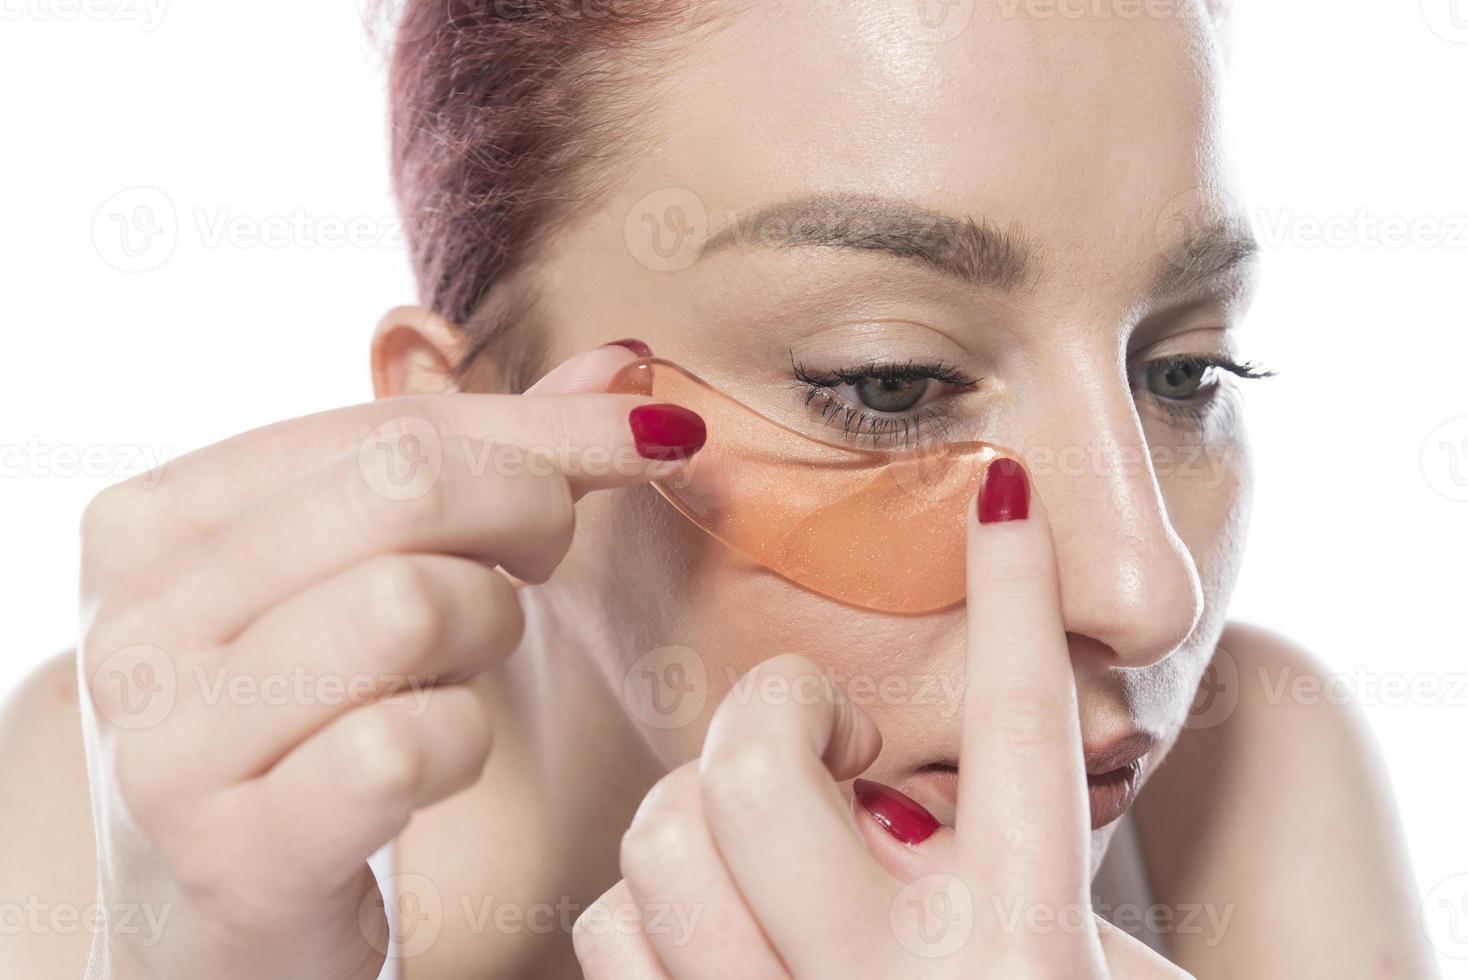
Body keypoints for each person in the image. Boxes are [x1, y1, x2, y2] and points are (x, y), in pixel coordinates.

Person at [0, 1, 1434, 976]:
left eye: (1187, 372)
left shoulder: (1259, 781)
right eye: (889, 384)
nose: (1144, 592)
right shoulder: (126, 804)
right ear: (481, 433)